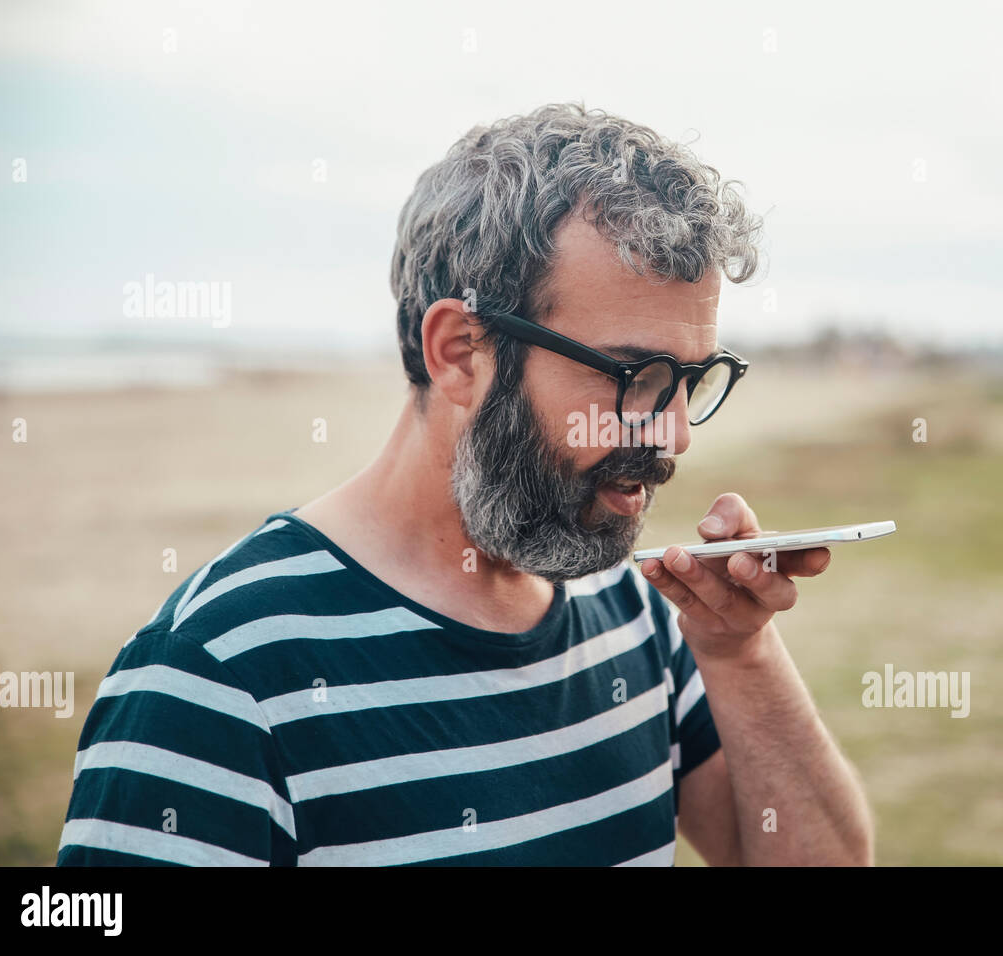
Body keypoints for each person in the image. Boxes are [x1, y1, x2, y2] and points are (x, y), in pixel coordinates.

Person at [57, 102, 874, 866]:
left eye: (690, 381)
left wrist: (741, 655)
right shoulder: (216, 675)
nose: (675, 435)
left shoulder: (636, 613)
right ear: (458, 351)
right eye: (632, 375)